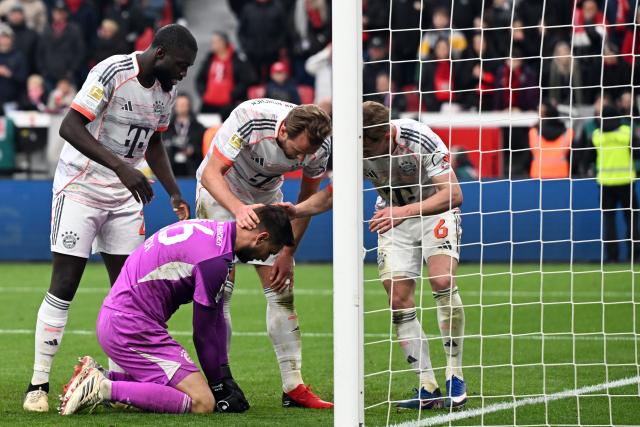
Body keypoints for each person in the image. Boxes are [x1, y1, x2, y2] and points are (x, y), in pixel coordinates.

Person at [23, 24, 198, 413]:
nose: (184, 73)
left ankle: (119, 382)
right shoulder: (112, 72)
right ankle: (38, 384)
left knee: (127, 293)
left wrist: (172, 190)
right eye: (182, 65)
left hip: (124, 195)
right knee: (64, 284)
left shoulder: (166, 92)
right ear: (161, 54)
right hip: (80, 188)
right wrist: (122, 168)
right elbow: (70, 126)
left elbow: (154, 141)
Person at [282, 101, 467, 410]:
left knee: (442, 280)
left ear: (384, 134)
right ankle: (427, 385)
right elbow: (331, 194)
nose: (364, 153)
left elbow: (454, 194)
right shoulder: (356, 146)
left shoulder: (419, 138)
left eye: (368, 146)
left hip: (434, 212)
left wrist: (403, 211)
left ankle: (454, 374)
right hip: (392, 217)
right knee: (397, 298)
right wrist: (295, 210)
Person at [58, 206, 294, 415]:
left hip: (120, 320)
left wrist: (224, 377)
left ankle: (102, 377)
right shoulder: (215, 261)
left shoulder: (214, 230)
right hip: (131, 329)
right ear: (261, 237)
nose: (267, 257)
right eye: (271, 251)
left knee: (179, 390)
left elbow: (217, 320)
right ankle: (101, 387)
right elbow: (203, 334)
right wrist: (218, 387)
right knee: (202, 402)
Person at [196, 98, 333, 409]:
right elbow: (211, 174)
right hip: (222, 193)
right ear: (282, 130)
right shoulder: (249, 117)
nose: (301, 158)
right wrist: (238, 209)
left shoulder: (319, 147)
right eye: (296, 151)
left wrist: (288, 250)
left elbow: (306, 200)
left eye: (305, 154)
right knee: (220, 289)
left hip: (267, 198)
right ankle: (221, 383)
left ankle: (293, 386)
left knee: (282, 288)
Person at [593, 105, 639, 262]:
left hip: (605, 183)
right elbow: (637, 151)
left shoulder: (597, 135)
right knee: (632, 219)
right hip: (626, 181)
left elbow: (588, 156)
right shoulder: (626, 132)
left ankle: (612, 257)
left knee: (609, 220)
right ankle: (635, 254)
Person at [196, 31, 255, 118]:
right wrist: (204, 94)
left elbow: (247, 79)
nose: (212, 44)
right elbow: (199, 79)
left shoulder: (237, 59)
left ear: (223, 42)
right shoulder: (210, 59)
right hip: (209, 103)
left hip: (229, 104)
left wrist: (233, 95)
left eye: (215, 42)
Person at [164, 93, 205, 177]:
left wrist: (193, 150)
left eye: (184, 105)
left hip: (192, 167)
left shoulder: (198, 128)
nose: (181, 107)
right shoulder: (167, 128)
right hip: (172, 166)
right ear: (175, 107)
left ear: (189, 106)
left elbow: (202, 147)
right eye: (179, 105)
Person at [529, 103, 573, 179]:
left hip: (537, 176)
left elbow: (527, 157)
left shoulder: (533, 132)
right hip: (561, 176)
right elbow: (575, 157)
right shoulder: (568, 133)